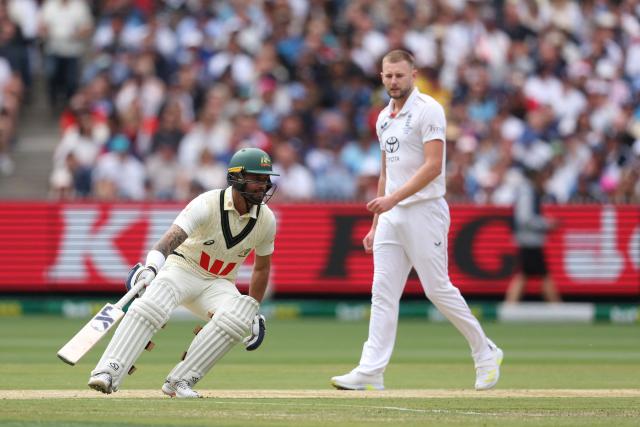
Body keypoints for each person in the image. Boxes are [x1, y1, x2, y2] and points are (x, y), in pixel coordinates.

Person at [331, 50, 503, 391]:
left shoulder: (429, 110)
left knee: (437, 289)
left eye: (400, 75)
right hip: (392, 216)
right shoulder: (383, 118)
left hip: (425, 210)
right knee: (382, 292)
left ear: (413, 74)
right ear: (381, 77)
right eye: (388, 75)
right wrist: (376, 223)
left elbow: (432, 166)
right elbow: (385, 173)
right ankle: (371, 370)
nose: (394, 81)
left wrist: (394, 198)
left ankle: (485, 352)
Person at [87, 147, 278, 398]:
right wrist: (151, 268)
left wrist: (253, 306)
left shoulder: (266, 220)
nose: (262, 186)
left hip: (218, 282)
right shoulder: (207, 203)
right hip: (182, 268)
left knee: (239, 315)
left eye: (265, 180)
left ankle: (181, 381)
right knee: (151, 306)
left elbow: (262, 267)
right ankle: (108, 371)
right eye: (256, 179)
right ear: (237, 177)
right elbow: (168, 241)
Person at [505, 164, 562, 303]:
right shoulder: (527, 191)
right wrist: (547, 224)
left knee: (525, 275)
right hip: (530, 241)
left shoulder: (527, 190)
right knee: (542, 275)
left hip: (529, 240)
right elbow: (525, 218)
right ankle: (558, 308)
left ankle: (509, 307)